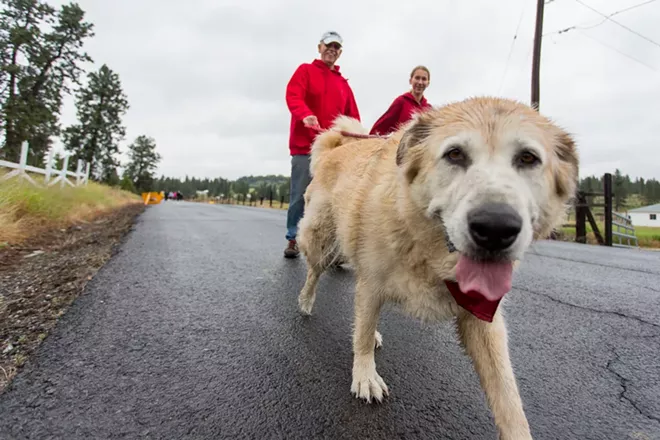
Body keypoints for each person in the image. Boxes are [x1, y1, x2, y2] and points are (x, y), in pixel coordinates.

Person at [283, 31, 361, 258]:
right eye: (329, 46)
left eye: (336, 47)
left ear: (340, 52)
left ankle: (332, 249)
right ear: (319, 47)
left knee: (333, 198)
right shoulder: (305, 71)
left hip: (334, 152)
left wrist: (360, 138)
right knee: (299, 194)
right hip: (304, 147)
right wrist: (305, 114)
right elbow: (293, 96)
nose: (332, 50)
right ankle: (292, 239)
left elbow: (353, 117)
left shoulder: (343, 84)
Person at [369, 65, 432, 136]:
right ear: (410, 81)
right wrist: (369, 140)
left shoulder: (429, 109)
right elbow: (383, 124)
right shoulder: (401, 101)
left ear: (428, 83)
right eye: (417, 78)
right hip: (401, 145)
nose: (420, 82)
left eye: (424, 79)